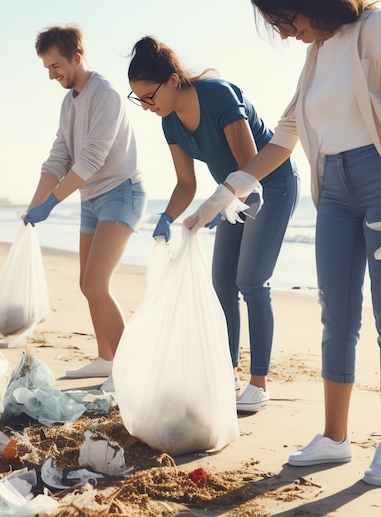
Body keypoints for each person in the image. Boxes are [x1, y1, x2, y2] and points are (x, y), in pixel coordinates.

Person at [186, 0, 381, 483]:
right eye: (277, 24)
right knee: (337, 316)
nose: (285, 32)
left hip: (379, 179)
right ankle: (336, 438)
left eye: (285, 19)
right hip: (335, 192)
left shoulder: (373, 29)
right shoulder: (317, 55)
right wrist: (222, 197)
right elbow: (284, 136)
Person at [128, 37, 299, 413]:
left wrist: (215, 205)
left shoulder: (218, 95)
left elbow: (249, 165)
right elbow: (186, 184)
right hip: (229, 193)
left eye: (149, 96)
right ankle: (226, 373)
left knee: (250, 281)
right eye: (138, 99)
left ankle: (258, 383)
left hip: (269, 184)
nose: (145, 106)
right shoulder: (169, 122)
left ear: (173, 80)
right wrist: (166, 217)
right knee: (222, 282)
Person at [24, 25, 146, 386]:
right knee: (85, 283)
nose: (51, 74)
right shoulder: (68, 102)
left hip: (121, 193)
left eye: (56, 65)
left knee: (96, 284)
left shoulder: (106, 94)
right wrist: (33, 207)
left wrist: (52, 203)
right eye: (47, 68)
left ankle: (128, 369)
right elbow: (58, 157)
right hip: (90, 198)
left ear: (77, 57)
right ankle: (106, 359)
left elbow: (92, 158)